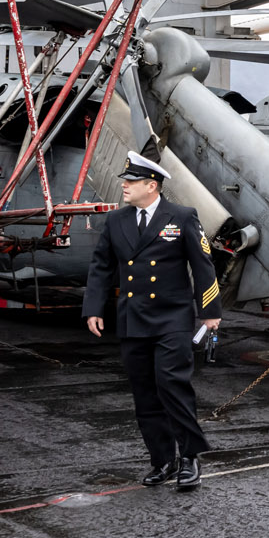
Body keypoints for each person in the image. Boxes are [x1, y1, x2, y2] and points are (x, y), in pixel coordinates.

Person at [83, 152, 223, 490]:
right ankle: (163, 460)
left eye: (131, 182)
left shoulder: (182, 217)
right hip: (133, 319)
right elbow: (101, 266)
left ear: (152, 185)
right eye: (125, 181)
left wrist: (210, 312)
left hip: (172, 318)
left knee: (172, 386)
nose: (124, 186)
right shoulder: (116, 221)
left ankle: (189, 458)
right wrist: (93, 308)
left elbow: (203, 265)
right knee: (144, 394)